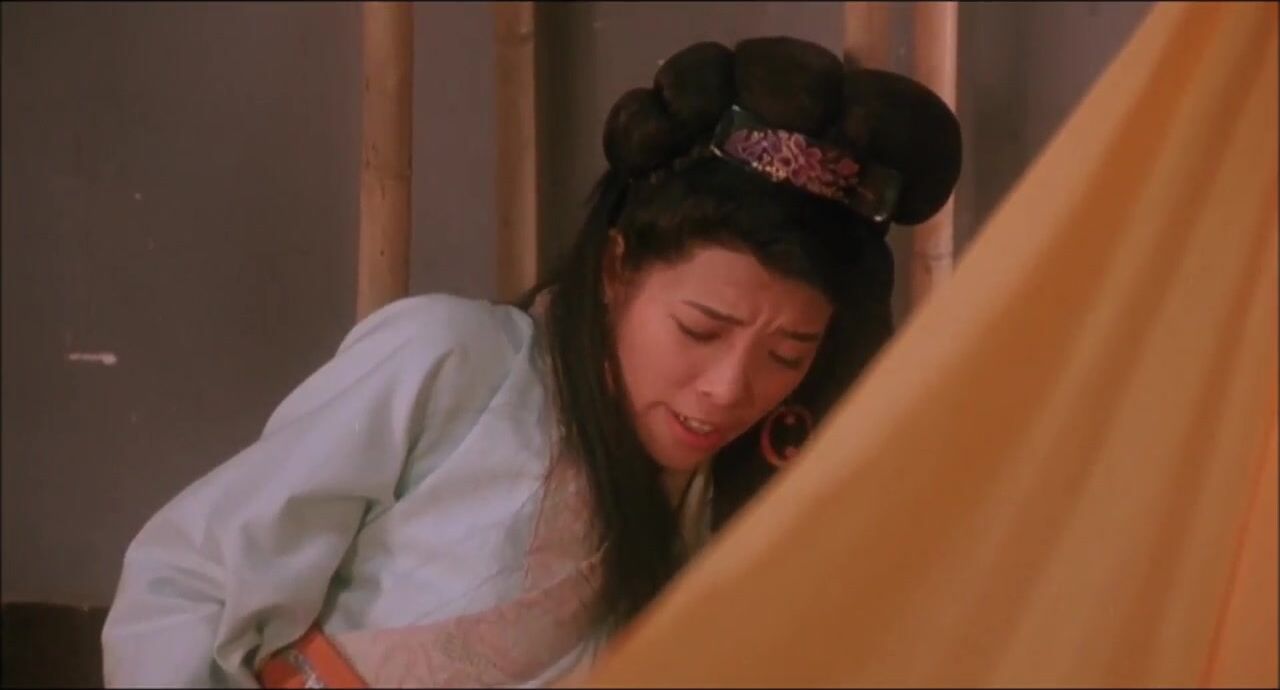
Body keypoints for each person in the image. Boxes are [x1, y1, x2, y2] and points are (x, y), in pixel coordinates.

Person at [101, 35, 961, 688]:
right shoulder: (454, 359)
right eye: (700, 329)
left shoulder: (735, 504)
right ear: (617, 268)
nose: (729, 388)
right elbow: (190, 577)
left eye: (786, 353)